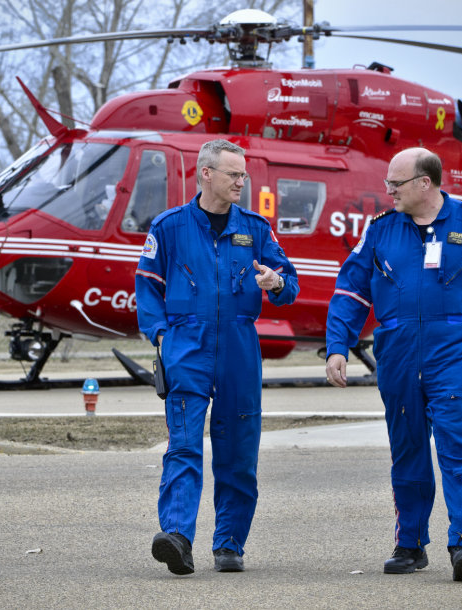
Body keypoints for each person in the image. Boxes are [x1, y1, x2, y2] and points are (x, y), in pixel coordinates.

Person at [325, 147, 462, 582]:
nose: (387, 190)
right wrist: (338, 345)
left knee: (461, 451)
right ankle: (410, 544)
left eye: (395, 183)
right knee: (407, 451)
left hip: (455, 352)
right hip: (396, 355)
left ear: (424, 183)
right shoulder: (380, 231)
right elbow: (351, 292)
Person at [135, 139, 299, 575]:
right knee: (184, 445)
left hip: (240, 349)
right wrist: (161, 336)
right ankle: (177, 537)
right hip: (187, 346)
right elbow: (147, 286)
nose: (241, 182)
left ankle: (229, 543)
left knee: (239, 450)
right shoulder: (169, 227)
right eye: (233, 174)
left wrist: (276, 283)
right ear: (206, 173)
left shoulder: (256, 228)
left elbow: (291, 283)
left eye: (243, 175)